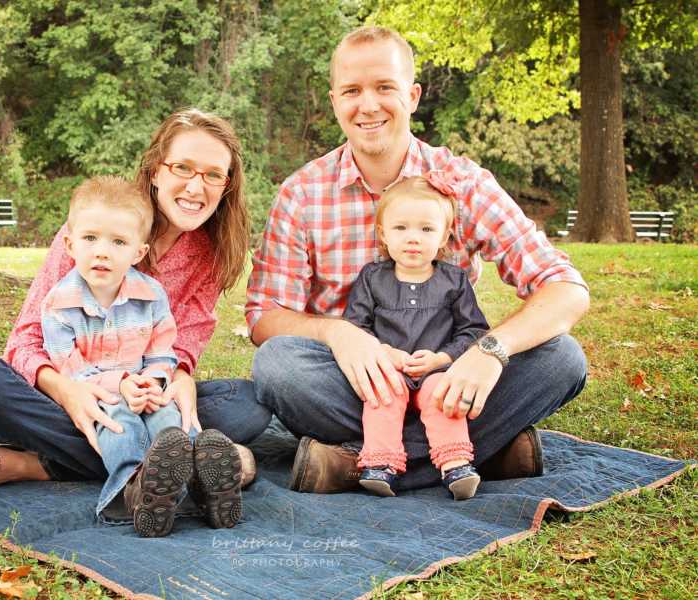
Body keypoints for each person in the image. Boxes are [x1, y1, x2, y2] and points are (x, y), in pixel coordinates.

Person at [246, 26, 590, 494]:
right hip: (357, 386)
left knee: (562, 358)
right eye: (352, 91)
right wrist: (338, 333)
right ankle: (472, 454)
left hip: (451, 383)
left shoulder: (462, 183)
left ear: (412, 95)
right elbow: (264, 318)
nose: (368, 105)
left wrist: (488, 351)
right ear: (334, 101)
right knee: (278, 366)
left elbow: (565, 289)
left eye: (384, 87)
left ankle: (359, 463)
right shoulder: (302, 193)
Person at [0, 109, 268, 510]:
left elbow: (183, 343)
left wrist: (178, 377)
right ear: (155, 170)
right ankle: (178, 465)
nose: (195, 186)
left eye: (212, 174)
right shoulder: (94, 230)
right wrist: (70, 393)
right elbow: (26, 339)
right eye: (183, 167)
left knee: (249, 404)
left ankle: (46, 465)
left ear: (226, 186)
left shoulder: (210, 253)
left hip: (149, 398)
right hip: (75, 385)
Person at [38, 176, 241, 536]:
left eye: (118, 242)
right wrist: (121, 385)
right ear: (69, 244)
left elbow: (161, 349)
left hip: (145, 387)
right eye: (90, 239)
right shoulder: (58, 303)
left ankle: (204, 482)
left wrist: (157, 381)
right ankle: (131, 490)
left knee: (172, 421)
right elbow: (70, 368)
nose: (102, 251)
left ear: (138, 253)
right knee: (120, 425)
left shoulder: (151, 294)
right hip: (98, 395)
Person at [345, 173, 489, 500]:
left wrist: (443, 358)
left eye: (426, 229)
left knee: (442, 393)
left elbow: (474, 330)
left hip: (436, 372)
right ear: (383, 234)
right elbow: (355, 326)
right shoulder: (372, 278)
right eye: (401, 228)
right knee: (382, 393)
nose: (413, 238)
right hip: (389, 369)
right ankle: (381, 465)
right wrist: (384, 353)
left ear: (444, 237)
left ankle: (455, 463)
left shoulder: (454, 280)